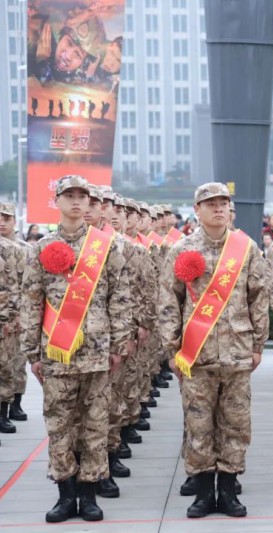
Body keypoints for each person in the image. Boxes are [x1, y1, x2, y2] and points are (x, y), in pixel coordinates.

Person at [20, 175, 131, 523]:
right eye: (69, 195)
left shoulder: (106, 246)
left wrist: (118, 345)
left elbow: (120, 297)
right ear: (57, 201)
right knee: (59, 424)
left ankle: (89, 493)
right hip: (55, 353)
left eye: (83, 196)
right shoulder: (41, 247)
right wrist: (32, 354)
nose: (77, 202)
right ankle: (65, 495)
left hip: (98, 352)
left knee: (95, 425)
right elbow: (31, 300)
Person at [159, 182, 269, 519]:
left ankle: (230, 490)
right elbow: (168, 301)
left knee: (235, 424)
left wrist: (257, 344)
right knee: (199, 424)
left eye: (223, 203)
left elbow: (259, 296)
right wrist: (173, 348)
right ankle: (204, 493)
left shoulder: (245, 248)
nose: (218, 208)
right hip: (196, 355)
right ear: (197, 210)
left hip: (237, 352)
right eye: (211, 204)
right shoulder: (181, 249)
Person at [0, 202, 31, 424]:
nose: (2, 223)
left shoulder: (22, 249)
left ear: (14, 221)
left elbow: (27, 285)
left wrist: (21, 315)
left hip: (14, 317)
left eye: (6, 218)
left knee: (15, 363)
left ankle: (13, 405)